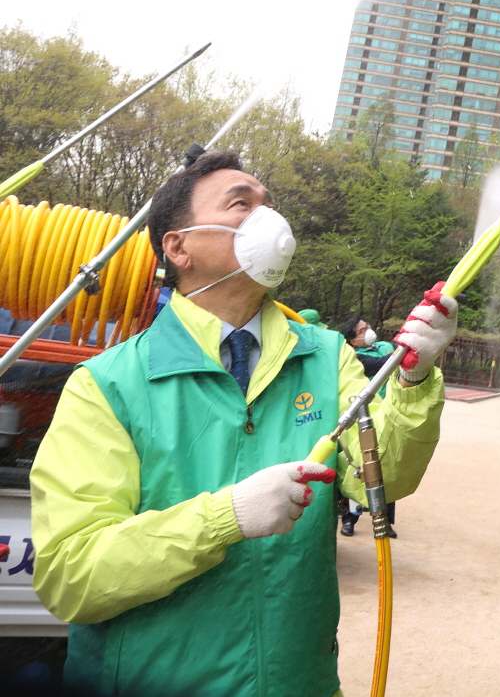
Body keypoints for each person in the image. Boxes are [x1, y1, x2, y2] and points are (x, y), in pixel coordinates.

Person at [30, 150, 460, 697]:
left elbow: (383, 478)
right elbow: (72, 574)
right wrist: (224, 517)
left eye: (269, 205)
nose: (267, 219)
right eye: (241, 204)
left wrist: (414, 380)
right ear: (178, 246)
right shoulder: (108, 385)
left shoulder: (325, 357)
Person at [337, 316, 400, 538]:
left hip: (386, 417)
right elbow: (383, 364)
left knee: (387, 471)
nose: (369, 331)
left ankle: (385, 520)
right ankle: (349, 521)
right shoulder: (353, 356)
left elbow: (396, 350)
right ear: (352, 340)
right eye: (363, 330)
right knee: (357, 469)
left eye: (368, 327)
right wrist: (398, 353)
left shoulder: (382, 346)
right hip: (360, 422)